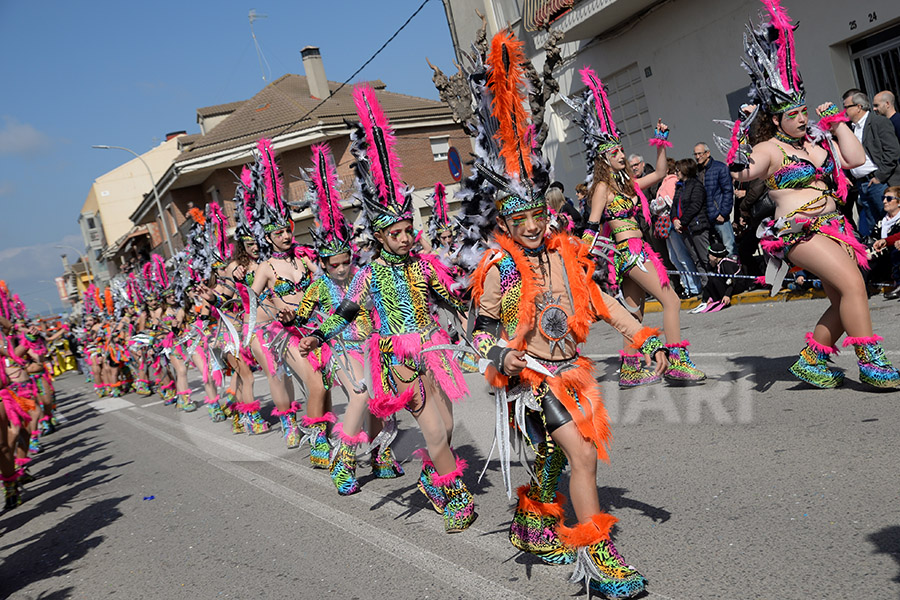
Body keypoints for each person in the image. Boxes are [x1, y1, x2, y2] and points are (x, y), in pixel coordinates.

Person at [449, 30, 667, 598]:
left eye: (536, 215)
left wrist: (641, 334)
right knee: (582, 455)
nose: (530, 225)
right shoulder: (497, 265)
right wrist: (500, 352)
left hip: (574, 369)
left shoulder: (567, 252)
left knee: (551, 457)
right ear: (504, 217)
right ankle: (599, 557)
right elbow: (479, 327)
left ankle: (532, 518)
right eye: (518, 217)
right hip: (530, 378)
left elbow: (600, 301)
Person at [299, 85, 475, 533]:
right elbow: (348, 309)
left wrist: (476, 297)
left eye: (407, 229)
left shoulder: (424, 263)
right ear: (379, 237)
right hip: (398, 357)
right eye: (395, 233)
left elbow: (450, 295)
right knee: (433, 430)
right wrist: (321, 335)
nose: (404, 237)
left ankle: (434, 479)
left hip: (435, 351)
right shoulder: (370, 272)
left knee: (448, 426)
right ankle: (452, 494)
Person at [717, 0, 899, 389]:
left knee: (844, 294)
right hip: (799, 231)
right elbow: (741, 173)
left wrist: (837, 124)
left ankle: (813, 360)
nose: (802, 118)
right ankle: (872, 363)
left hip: (836, 225)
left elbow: (856, 158)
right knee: (852, 284)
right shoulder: (770, 148)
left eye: (803, 111)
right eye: (793, 114)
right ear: (777, 118)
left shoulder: (817, 140)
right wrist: (738, 142)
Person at [576, 66, 706, 388]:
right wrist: (581, 260)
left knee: (632, 313)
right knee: (672, 301)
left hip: (640, 249)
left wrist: (660, 142)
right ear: (604, 159)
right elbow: (591, 226)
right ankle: (677, 361)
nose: (621, 154)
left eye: (621, 149)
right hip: (628, 253)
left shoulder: (629, 184)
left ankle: (631, 367)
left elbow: (661, 172)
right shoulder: (603, 189)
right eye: (615, 152)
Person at [297, 142, 403, 496]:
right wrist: (312, 331)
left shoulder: (364, 278)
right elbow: (305, 314)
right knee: (358, 396)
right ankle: (343, 460)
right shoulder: (318, 286)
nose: (341, 269)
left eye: (346, 262)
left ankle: (379, 454)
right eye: (334, 264)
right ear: (324, 264)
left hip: (372, 345)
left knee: (380, 400)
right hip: (340, 349)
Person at [842, 88, 900, 237]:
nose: (844, 111)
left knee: (891, 226)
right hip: (862, 185)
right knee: (874, 228)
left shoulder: (878, 122)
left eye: (847, 107)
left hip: (880, 183)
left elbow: (892, 151)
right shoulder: (850, 128)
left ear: (859, 107)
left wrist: (879, 177)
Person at [657, 158, 701, 297]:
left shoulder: (671, 181)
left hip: (672, 224)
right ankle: (687, 286)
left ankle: (694, 287)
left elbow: (673, 203)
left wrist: (660, 204)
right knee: (674, 258)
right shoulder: (663, 182)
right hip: (667, 225)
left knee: (682, 256)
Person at [671, 158, 711, 288]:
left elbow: (695, 205)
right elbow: (674, 206)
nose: (676, 173)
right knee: (696, 259)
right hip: (685, 229)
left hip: (697, 226)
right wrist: (675, 219)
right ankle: (706, 286)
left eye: (679, 170)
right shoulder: (680, 187)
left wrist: (681, 222)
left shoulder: (696, 185)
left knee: (705, 258)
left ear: (686, 170)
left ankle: (714, 285)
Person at [694, 142, 736, 254]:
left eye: (700, 154)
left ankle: (736, 270)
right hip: (705, 217)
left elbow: (728, 191)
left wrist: (723, 213)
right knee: (714, 251)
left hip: (719, 216)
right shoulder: (697, 172)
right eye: (695, 154)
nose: (697, 157)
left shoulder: (720, 168)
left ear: (708, 153)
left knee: (729, 247)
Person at [690, 241, 749, 313]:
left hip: (737, 286)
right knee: (712, 278)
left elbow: (731, 280)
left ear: (715, 257)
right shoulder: (718, 264)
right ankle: (707, 299)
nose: (708, 256)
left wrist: (727, 295)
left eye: (709, 254)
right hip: (729, 285)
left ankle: (721, 298)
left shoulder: (726, 264)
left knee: (715, 279)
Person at [869, 186, 900, 299]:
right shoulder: (881, 222)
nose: (884, 201)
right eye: (883, 198)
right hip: (883, 257)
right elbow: (873, 237)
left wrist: (886, 242)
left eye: (889, 198)